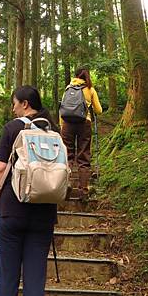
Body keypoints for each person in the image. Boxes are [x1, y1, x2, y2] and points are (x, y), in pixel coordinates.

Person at [0, 85, 59, 296]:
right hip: (44, 213)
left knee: (7, 281)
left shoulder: (12, 129)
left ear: (25, 104)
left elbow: (0, 170)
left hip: (11, 212)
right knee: (35, 283)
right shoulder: (53, 131)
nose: (13, 108)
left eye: (14, 103)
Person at [60, 67, 102, 198]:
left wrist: (62, 126)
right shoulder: (90, 89)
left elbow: (62, 108)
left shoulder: (68, 88)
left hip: (67, 124)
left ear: (75, 76)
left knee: (67, 155)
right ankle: (83, 190)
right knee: (83, 155)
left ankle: (66, 183)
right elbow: (99, 110)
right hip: (84, 123)